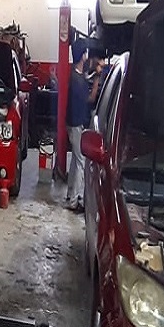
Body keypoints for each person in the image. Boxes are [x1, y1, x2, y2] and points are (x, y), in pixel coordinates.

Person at [65, 38, 91, 210]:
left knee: (76, 159)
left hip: (74, 123)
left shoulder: (77, 76)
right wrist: (97, 80)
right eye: (86, 52)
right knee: (81, 161)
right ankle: (74, 201)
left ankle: (71, 195)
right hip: (75, 124)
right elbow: (90, 99)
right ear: (83, 56)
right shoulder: (77, 80)